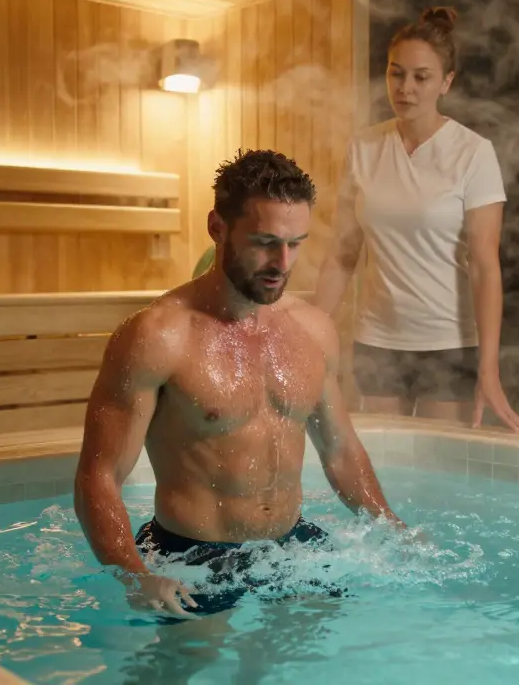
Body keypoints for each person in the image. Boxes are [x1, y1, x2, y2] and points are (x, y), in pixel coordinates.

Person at [73, 148, 410, 622]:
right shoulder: (158, 336)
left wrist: (388, 523)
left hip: (288, 544)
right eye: (265, 242)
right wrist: (133, 573)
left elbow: (341, 451)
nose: (282, 262)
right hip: (189, 553)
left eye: (296, 243)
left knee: (302, 665)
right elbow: (99, 475)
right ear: (218, 228)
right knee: (189, 668)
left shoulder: (313, 330)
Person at [313, 5, 519, 434]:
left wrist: (489, 369)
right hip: (377, 339)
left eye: (421, 76)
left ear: (446, 82)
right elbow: (342, 255)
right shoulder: (364, 148)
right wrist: (307, 336)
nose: (405, 88)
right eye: (396, 74)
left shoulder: (473, 152)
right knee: (380, 466)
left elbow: (485, 265)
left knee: (435, 481)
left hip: (448, 343)